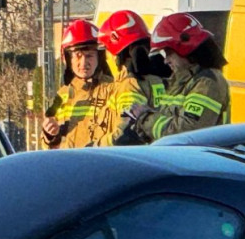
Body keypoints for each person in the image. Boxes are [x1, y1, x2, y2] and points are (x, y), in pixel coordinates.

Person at [130, 13, 230, 142]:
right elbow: (167, 121)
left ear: (185, 48)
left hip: (196, 161)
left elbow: (187, 132)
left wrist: (145, 118)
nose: (166, 61)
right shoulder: (180, 81)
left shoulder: (207, 83)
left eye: (169, 53)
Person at [97, 10, 168, 146]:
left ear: (115, 52)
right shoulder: (157, 79)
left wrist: (95, 147)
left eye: (106, 49)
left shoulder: (130, 84)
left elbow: (126, 133)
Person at [43, 20, 114, 149]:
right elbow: (51, 149)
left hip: (101, 164)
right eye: (78, 55)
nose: (83, 62)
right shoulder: (63, 95)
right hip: (70, 166)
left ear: (100, 57)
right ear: (68, 59)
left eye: (89, 56)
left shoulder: (113, 90)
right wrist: (50, 136)